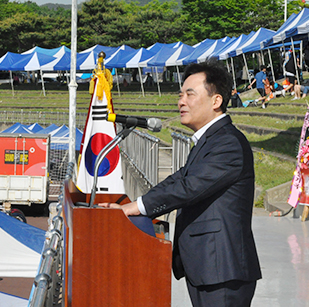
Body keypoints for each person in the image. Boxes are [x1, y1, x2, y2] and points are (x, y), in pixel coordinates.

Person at [100, 63, 261, 306]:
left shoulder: (227, 144)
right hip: (207, 266)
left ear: (216, 101)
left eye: (190, 94)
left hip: (222, 268)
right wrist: (135, 205)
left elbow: (188, 188)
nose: (181, 101)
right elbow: (179, 180)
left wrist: (136, 208)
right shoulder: (211, 141)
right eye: (180, 95)